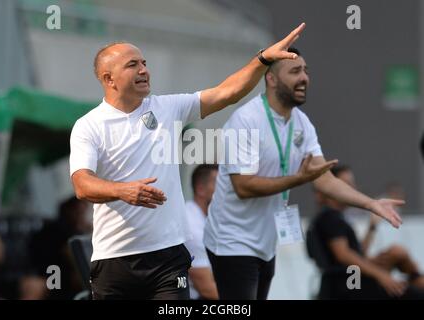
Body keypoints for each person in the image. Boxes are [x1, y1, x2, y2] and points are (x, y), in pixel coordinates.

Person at [69, 23, 307, 300]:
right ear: (109, 79)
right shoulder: (89, 125)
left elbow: (226, 92)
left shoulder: (168, 108)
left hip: (168, 259)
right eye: (133, 65)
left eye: (144, 63)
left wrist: (263, 58)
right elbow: (82, 185)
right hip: (115, 260)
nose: (144, 70)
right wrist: (123, 191)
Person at [203, 47, 404, 300]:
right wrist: (298, 179)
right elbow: (243, 186)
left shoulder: (302, 122)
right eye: (295, 71)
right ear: (271, 78)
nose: (304, 78)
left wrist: (370, 204)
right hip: (232, 241)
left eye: (306, 71)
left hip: (265, 243)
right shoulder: (246, 120)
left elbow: (324, 178)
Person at [311, 165, 424, 299]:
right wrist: (381, 275)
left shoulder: (335, 217)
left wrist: (372, 227)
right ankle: (418, 282)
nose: (352, 189)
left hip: (349, 277)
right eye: (346, 184)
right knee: (413, 294)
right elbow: (344, 256)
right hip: (349, 283)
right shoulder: (329, 218)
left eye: (352, 184)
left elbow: (358, 253)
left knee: (397, 252)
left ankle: (418, 280)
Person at [184, 164, 219, 300]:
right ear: (200, 189)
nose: (224, 191)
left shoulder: (206, 219)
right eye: (218, 184)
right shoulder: (192, 227)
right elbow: (207, 290)